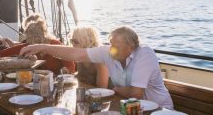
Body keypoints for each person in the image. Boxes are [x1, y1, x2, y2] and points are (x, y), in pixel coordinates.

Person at [20, 26, 173, 109]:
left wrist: (116, 90)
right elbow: (76, 54)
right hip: (130, 109)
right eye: (111, 45)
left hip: (159, 111)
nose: (111, 50)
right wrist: (43, 47)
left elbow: (135, 93)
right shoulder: (109, 51)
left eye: (116, 46)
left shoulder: (144, 54)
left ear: (131, 46)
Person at [0, 14, 75, 75]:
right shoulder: (30, 45)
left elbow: (71, 65)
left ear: (39, 37)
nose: (29, 42)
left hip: (56, 81)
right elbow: (16, 49)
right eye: (29, 39)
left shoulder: (55, 44)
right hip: (37, 81)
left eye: (31, 39)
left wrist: (66, 70)